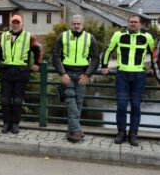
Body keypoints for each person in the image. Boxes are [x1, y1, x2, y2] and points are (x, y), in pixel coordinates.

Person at [101, 14, 155, 146]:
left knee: (136, 106)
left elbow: (154, 54)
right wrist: (104, 66)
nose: (133, 24)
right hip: (122, 74)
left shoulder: (147, 37)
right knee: (121, 106)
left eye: (136, 22)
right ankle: (121, 133)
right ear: (127, 23)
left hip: (139, 75)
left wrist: (154, 68)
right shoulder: (118, 35)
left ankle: (133, 134)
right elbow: (108, 50)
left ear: (140, 24)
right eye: (131, 22)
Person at [0, 14, 42, 134]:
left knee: (18, 100)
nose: (16, 25)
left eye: (18, 23)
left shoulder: (29, 37)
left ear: (22, 24)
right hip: (6, 71)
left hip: (21, 72)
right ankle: (6, 123)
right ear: (10, 24)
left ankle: (15, 124)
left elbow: (39, 50)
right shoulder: (3, 36)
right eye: (14, 23)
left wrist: (37, 64)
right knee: (5, 99)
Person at [52, 15, 99, 143]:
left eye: (79, 24)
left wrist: (87, 74)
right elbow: (55, 55)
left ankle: (71, 130)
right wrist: (62, 73)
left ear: (82, 25)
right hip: (67, 74)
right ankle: (77, 131)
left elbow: (96, 58)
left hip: (82, 75)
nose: (76, 26)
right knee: (70, 101)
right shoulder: (63, 36)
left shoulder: (90, 38)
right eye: (74, 24)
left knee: (78, 103)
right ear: (70, 24)